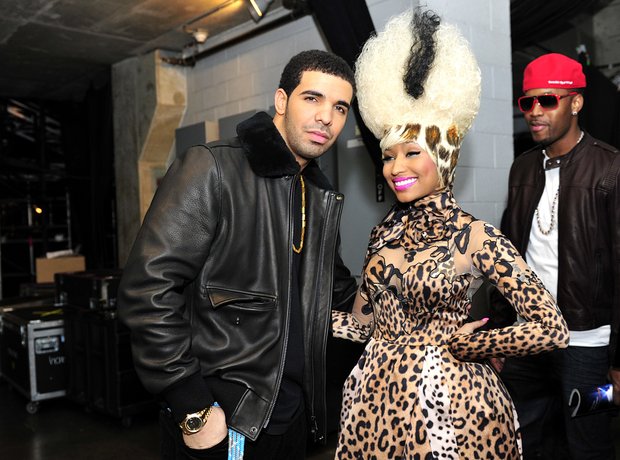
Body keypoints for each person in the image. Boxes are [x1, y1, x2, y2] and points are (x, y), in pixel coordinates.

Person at [330, 10, 570, 459]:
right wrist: (299, 314)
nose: (395, 167)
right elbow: (364, 326)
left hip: (449, 408)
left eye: (411, 152)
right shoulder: (382, 234)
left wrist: (471, 342)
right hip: (375, 405)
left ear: (443, 156)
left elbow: (551, 329)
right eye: (387, 155)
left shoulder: (474, 236)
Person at [117, 49, 358, 460]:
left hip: (293, 417)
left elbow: (337, 295)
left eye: (340, 107)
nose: (326, 118)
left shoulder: (317, 194)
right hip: (223, 417)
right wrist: (191, 404)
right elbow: (146, 292)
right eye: (312, 98)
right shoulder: (211, 167)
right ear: (281, 101)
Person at [499, 52, 620, 460]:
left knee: (589, 440)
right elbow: (507, 259)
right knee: (524, 437)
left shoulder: (611, 169)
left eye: (547, 101)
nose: (535, 112)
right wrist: (500, 333)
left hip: (588, 342)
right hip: (527, 336)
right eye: (527, 102)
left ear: (576, 103)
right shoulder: (522, 169)